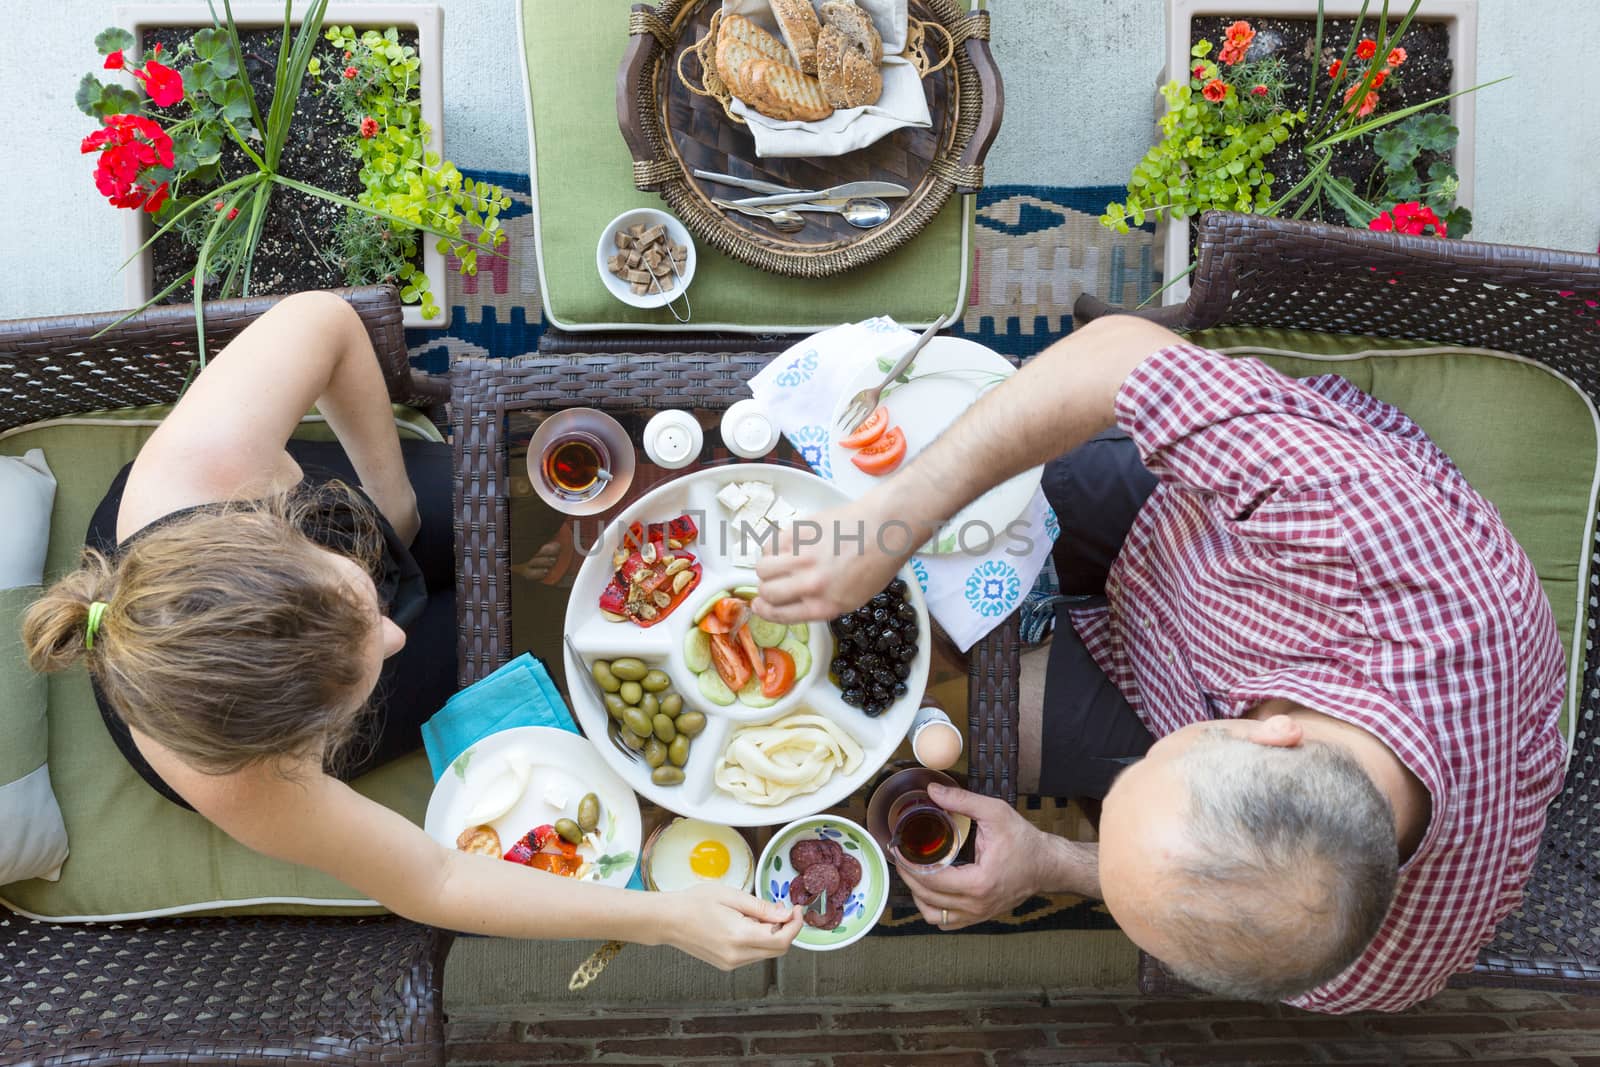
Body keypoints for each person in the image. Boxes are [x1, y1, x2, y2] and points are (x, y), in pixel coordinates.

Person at [754, 314, 1565, 1012]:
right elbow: (1114, 357)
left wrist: (1055, 860)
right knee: (943, 464)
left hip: (1169, 672)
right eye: (1146, 771)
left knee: (916, 706)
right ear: (1271, 735)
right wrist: (882, 529)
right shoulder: (1358, 535)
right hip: (1204, 523)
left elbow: (1221, 895)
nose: (1125, 771)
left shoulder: (1360, 970)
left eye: (1124, 781)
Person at [23, 291, 801, 969]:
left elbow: (324, 321)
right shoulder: (242, 779)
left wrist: (390, 496)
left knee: (526, 509)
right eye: (360, 674)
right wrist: (666, 920)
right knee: (543, 641)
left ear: (282, 527)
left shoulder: (215, 464)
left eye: (365, 607)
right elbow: (436, 878)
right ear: (306, 738)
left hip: (275, 552)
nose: (396, 635)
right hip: (245, 703)